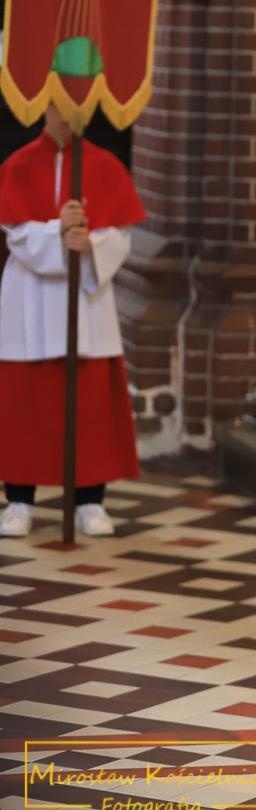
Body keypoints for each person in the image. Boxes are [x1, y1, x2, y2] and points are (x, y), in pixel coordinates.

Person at [0, 104, 144, 538]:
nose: (66, 115)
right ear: (42, 107)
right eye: (58, 105)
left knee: (89, 401)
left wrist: (90, 243)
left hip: (87, 298)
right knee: (25, 401)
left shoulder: (104, 165)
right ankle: (19, 501)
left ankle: (89, 502)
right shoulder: (20, 164)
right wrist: (55, 234)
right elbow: (16, 232)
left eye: (75, 106)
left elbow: (121, 236)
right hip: (30, 297)